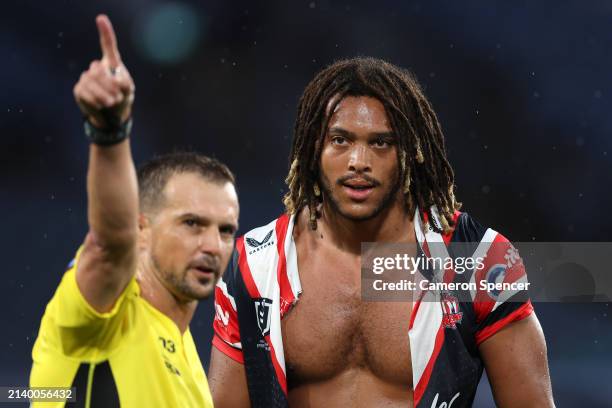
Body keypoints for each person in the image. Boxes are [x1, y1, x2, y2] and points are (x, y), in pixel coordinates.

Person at [208, 58, 554, 407]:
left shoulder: (478, 260)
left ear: (410, 153)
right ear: (314, 149)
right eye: (340, 140)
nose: (359, 160)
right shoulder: (254, 265)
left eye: (381, 143)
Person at [29, 15, 239, 407]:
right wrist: (110, 131)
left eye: (226, 230)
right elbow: (111, 244)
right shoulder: (105, 314)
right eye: (192, 223)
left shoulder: (196, 368)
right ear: (141, 230)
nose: (213, 244)